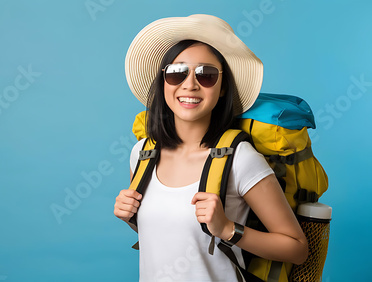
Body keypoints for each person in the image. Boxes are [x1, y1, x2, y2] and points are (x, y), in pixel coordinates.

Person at [114, 14, 308, 281]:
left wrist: (228, 229)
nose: (190, 84)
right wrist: (131, 217)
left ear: (223, 86)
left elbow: (297, 249)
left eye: (206, 74)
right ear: (162, 82)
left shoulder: (239, 158)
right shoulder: (142, 154)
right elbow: (175, 237)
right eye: (176, 72)